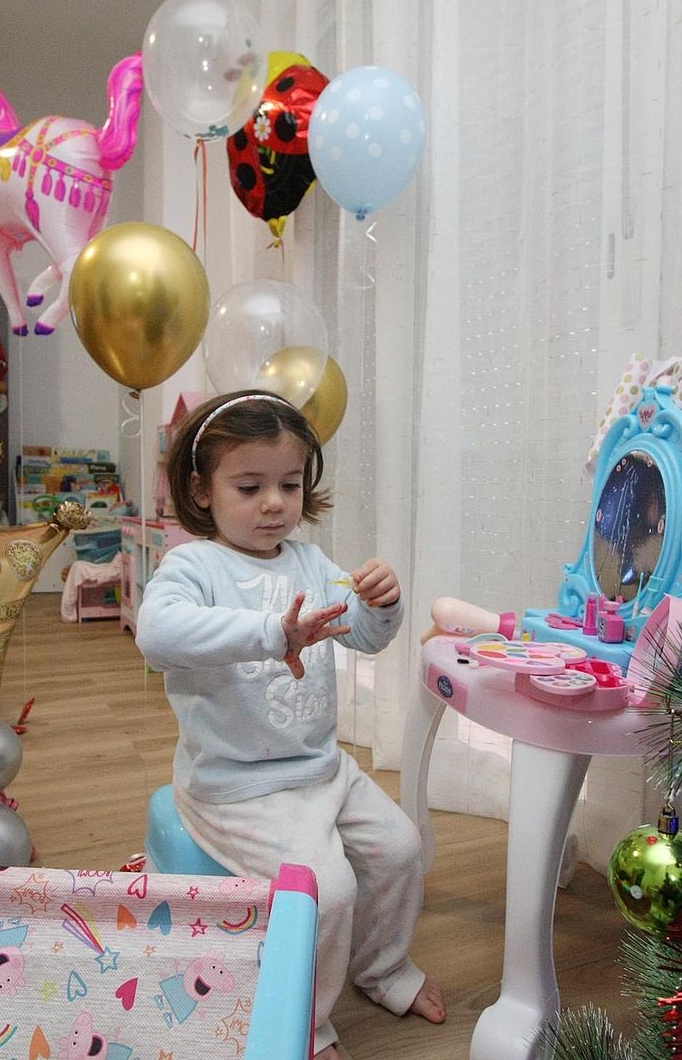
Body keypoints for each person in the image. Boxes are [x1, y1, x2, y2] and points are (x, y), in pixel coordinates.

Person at [135, 390, 445, 1060]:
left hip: (320, 768)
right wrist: (272, 633)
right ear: (203, 489)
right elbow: (156, 634)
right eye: (249, 487)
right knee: (328, 892)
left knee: (401, 848)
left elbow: (364, 636)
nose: (274, 503)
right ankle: (304, 1023)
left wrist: (381, 605)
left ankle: (384, 968)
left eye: (290, 484)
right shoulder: (194, 564)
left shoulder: (310, 562)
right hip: (237, 786)